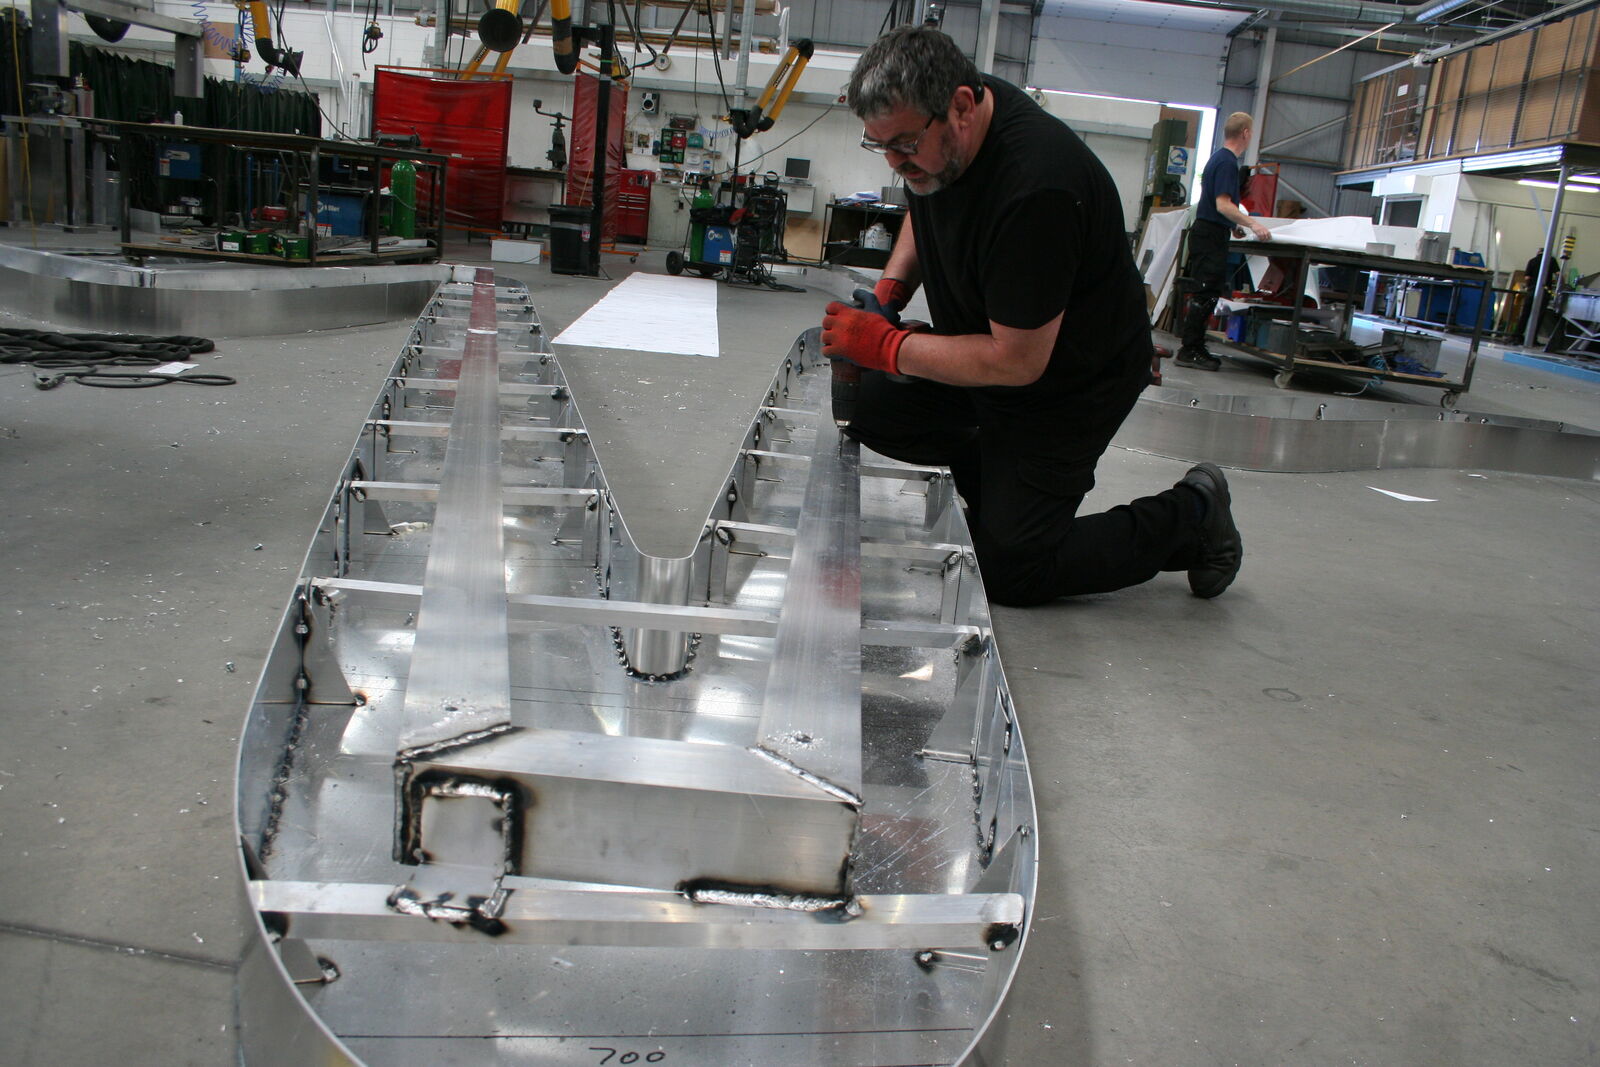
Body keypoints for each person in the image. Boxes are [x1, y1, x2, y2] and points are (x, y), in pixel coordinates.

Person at [819, 27, 1242, 605]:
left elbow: (1016, 363)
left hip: (1068, 382)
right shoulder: (942, 127)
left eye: (906, 144)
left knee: (1012, 568)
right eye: (880, 146)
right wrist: (892, 289)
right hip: (992, 350)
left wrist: (888, 347)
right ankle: (1002, 485)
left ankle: (1194, 513)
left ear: (961, 109)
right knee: (870, 406)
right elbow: (925, 195)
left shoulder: (1036, 187)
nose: (896, 162)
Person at [1176, 111, 1273, 371]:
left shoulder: (1218, 159)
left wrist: (1233, 225)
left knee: (1207, 290)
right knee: (1206, 291)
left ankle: (1193, 346)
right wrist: (1252, 223)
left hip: (1211, 231)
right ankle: (1190, 349)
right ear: (1246, 133)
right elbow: (1222, 204)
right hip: (1209, 235)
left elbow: (1217, 205)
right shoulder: (1228, 162)